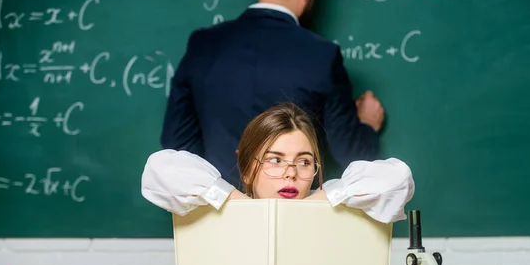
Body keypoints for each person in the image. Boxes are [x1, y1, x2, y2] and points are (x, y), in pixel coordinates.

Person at [160, 0, 385, 187]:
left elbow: (178, 143)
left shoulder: (203, 44)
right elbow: (351, 154)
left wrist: (219, 188)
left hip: (217, 214)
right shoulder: (322, 54)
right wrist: (366, 125)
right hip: (295, 212)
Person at [144, 103, 413, 224]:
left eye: (304, 162)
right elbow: (159, 167)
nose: (291, 174)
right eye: (275, 160)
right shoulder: (216, 208)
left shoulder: (335, 204)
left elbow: (398, 178)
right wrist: (238, 203)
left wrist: (319, 202)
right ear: (248, 167)